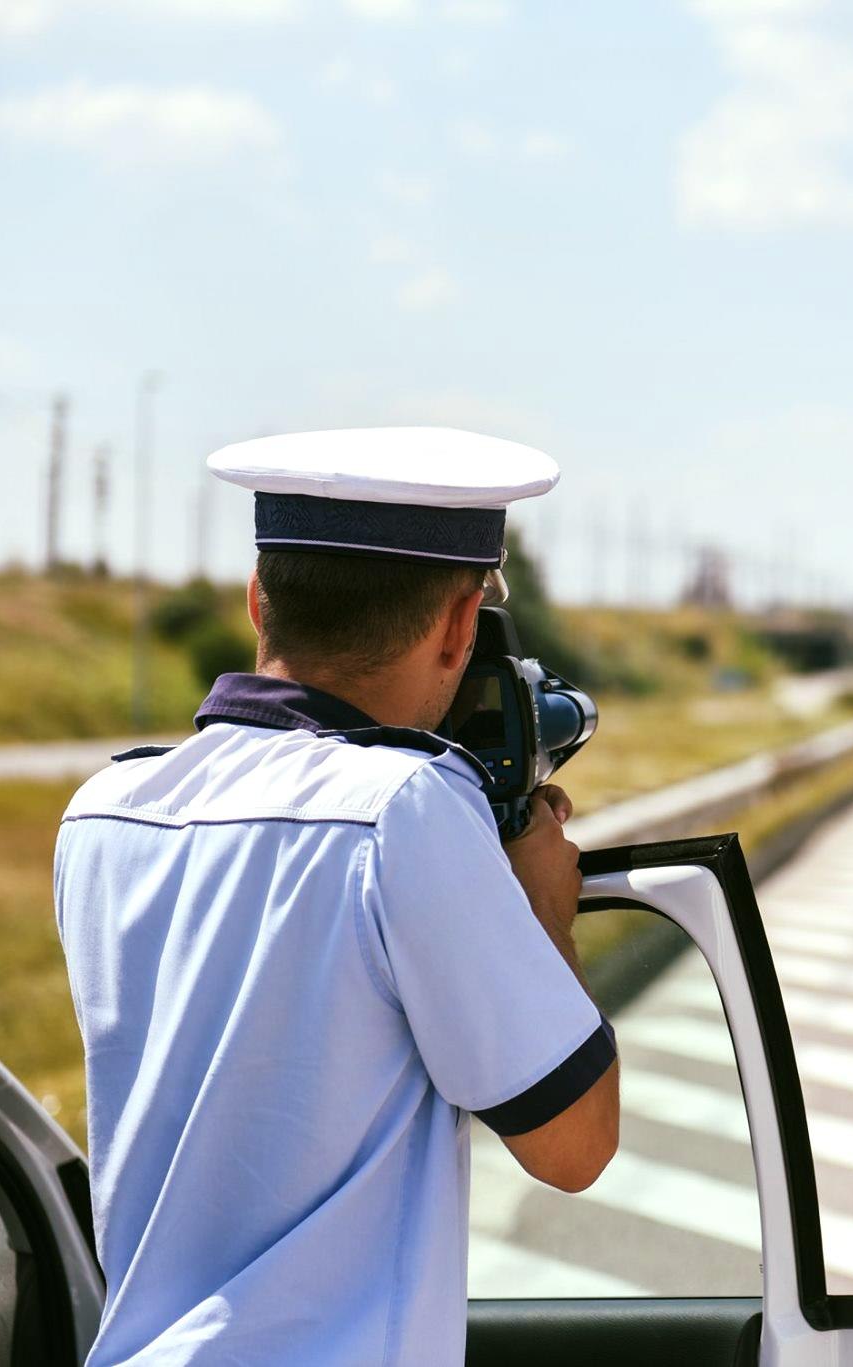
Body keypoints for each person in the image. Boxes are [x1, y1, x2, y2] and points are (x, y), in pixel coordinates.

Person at [55, 427, 619, 1365]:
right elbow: (575, 1144)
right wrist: (546, 915)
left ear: (256, 602)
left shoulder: (107, 810)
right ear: (459, 625)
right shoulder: (404, 811)